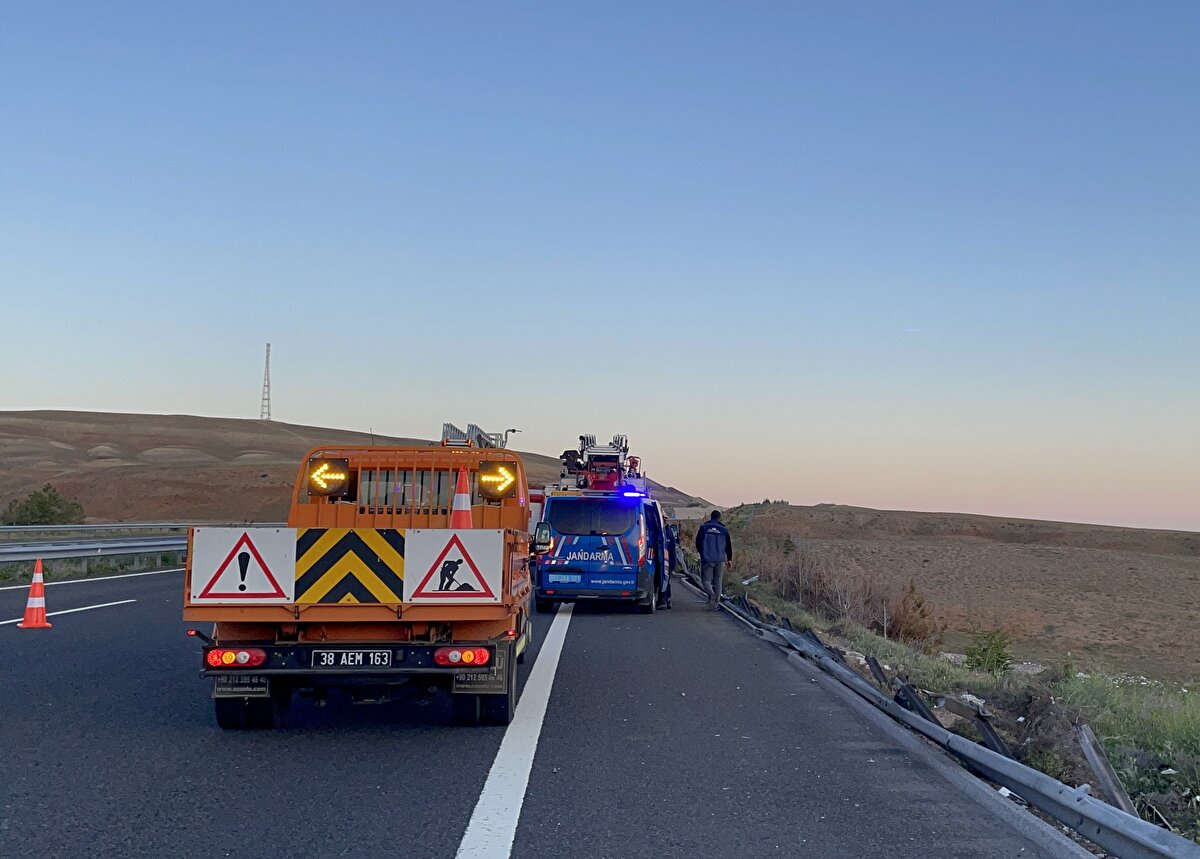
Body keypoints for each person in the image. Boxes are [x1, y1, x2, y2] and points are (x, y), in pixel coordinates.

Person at [695, 510, 733, 610]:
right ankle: (715, 605)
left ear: (710, 517)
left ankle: (711, 595)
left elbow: (698, 542)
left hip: (707, 558)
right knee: (718, 581)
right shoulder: (724, 529)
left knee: (706, 580)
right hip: (720, 559)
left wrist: (702, 553)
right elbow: (728, 545)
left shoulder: (704, 528)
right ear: (719, 518)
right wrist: (729, 559)